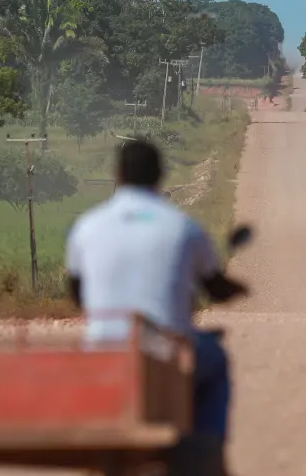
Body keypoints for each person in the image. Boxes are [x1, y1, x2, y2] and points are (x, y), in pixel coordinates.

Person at [64, 138, 248, 467]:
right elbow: (215, 286)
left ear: (117, 174)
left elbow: (77, 293)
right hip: (166, 352)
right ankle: (207, 450)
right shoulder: (181, 226)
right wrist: (239, 288)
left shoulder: (87, 225)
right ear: (161, 175)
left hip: (104, 352)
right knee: (216, 360)